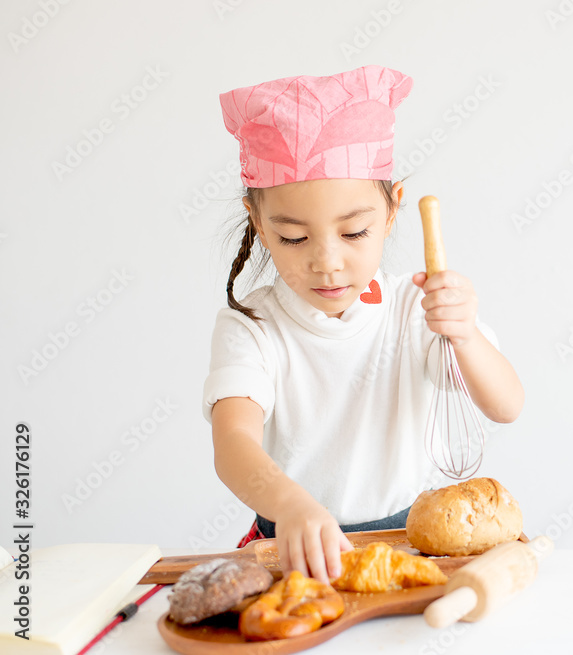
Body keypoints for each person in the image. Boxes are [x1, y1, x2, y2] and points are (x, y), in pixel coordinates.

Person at [204, 66, 524, 584]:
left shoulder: (414, 310)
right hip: (293, 552)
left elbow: (506, 406)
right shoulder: (252, 327)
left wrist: (465, 334)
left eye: (353, 232)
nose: (327, 262)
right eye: (293, 238)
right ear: (258, 222)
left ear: (392, 210)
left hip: (409, 545)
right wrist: (292, 506)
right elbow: (233, 442)